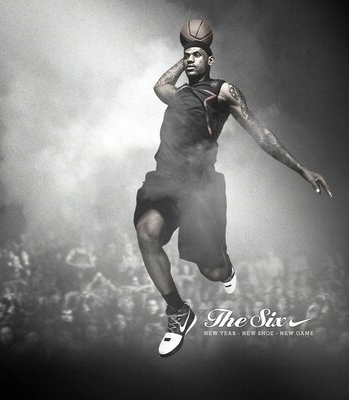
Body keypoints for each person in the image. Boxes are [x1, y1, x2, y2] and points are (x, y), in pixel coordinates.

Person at [134, 35, 331, 357]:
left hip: (199, 186)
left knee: (211, 272)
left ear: (210, 60)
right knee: (146, 232)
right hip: (165, 180)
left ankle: (226, 268)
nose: (191, 59)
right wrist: (181, 58)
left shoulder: (223, 91)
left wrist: (301, 169)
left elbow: (260, 133)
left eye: (198, 54)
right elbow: (159, 86)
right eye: (187, 55)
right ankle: (178, 312)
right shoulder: (179, 94)